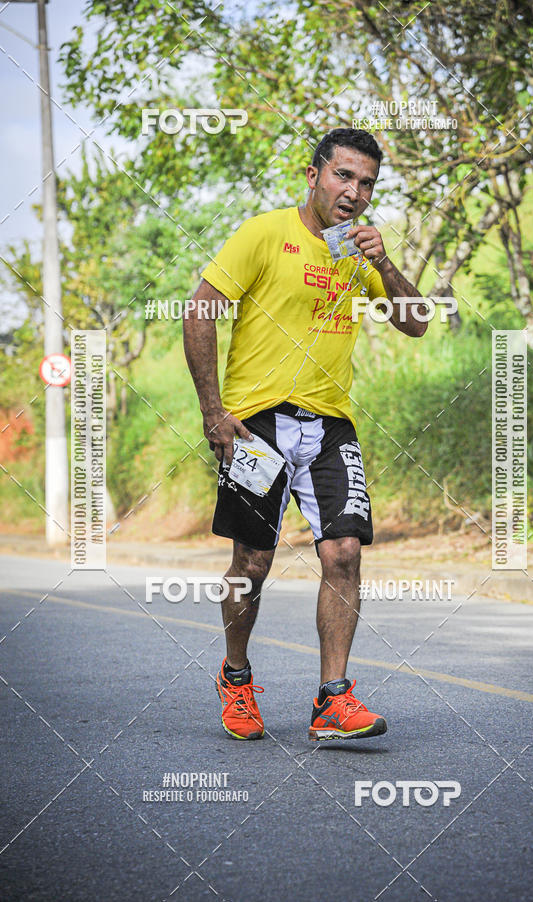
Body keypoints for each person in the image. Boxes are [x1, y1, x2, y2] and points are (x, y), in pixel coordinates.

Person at [183, 128, 427, 742]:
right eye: (344, 176)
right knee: (253, 561)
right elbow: (200, 312)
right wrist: (213, 412)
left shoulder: (358, 252)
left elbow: (418, 322)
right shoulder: (264, 234)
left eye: (367, 183)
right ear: (314, 175)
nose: (354, 192)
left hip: (330, 423)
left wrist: (383, 262)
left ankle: (333, 701)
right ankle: (236, 677)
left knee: (344, 552)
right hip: (256, 423)